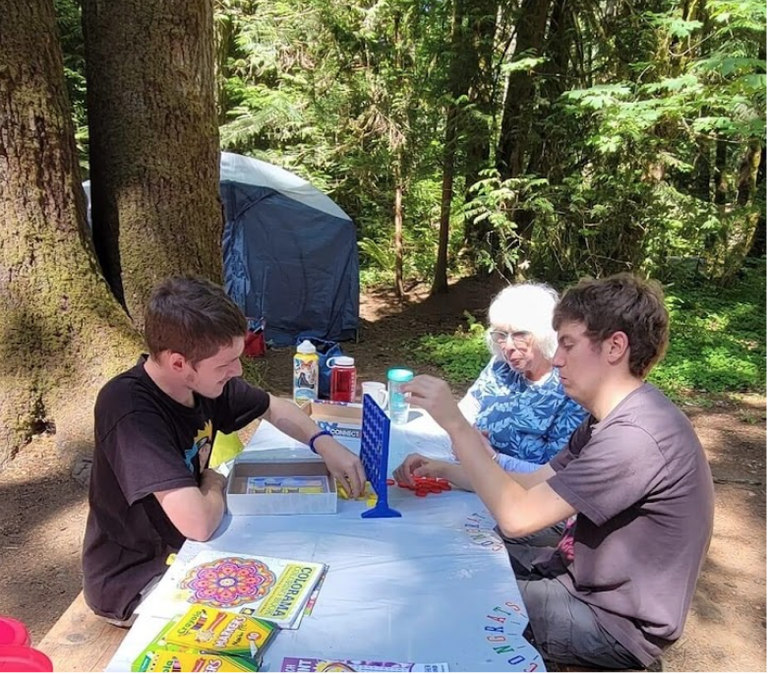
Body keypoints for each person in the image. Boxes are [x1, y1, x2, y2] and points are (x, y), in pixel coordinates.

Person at [402, 274, 714, 670]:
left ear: (615, 346)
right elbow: (533, 484)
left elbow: (518, 517)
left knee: (453, 591)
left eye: (567, 343)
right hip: (575, 580)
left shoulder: (637, 435)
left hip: (611, 624)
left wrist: (456, 426)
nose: (557, 358)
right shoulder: (609, 417)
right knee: (451, 554)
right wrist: (445, 471)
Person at [82, 276, 366, 625]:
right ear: (178, 364)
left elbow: (276, 408)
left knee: (318, 571)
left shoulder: (202, 385)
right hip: (138, 580)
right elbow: (198, 523)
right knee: (286, 618)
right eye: (225, 364)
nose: (238, 370)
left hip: (192, 551)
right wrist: (214, 482)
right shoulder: (129, 409)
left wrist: (325, 444)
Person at [394, 283, 586, 490]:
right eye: (501, 335)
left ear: (544, 334)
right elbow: (465, 415)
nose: (508, 346)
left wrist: (491, 457)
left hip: (524, 500)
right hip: (472, 482)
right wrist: (454, 450)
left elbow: (554, 477)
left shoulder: (568, 388)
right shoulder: (500, 368)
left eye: (520, 334)